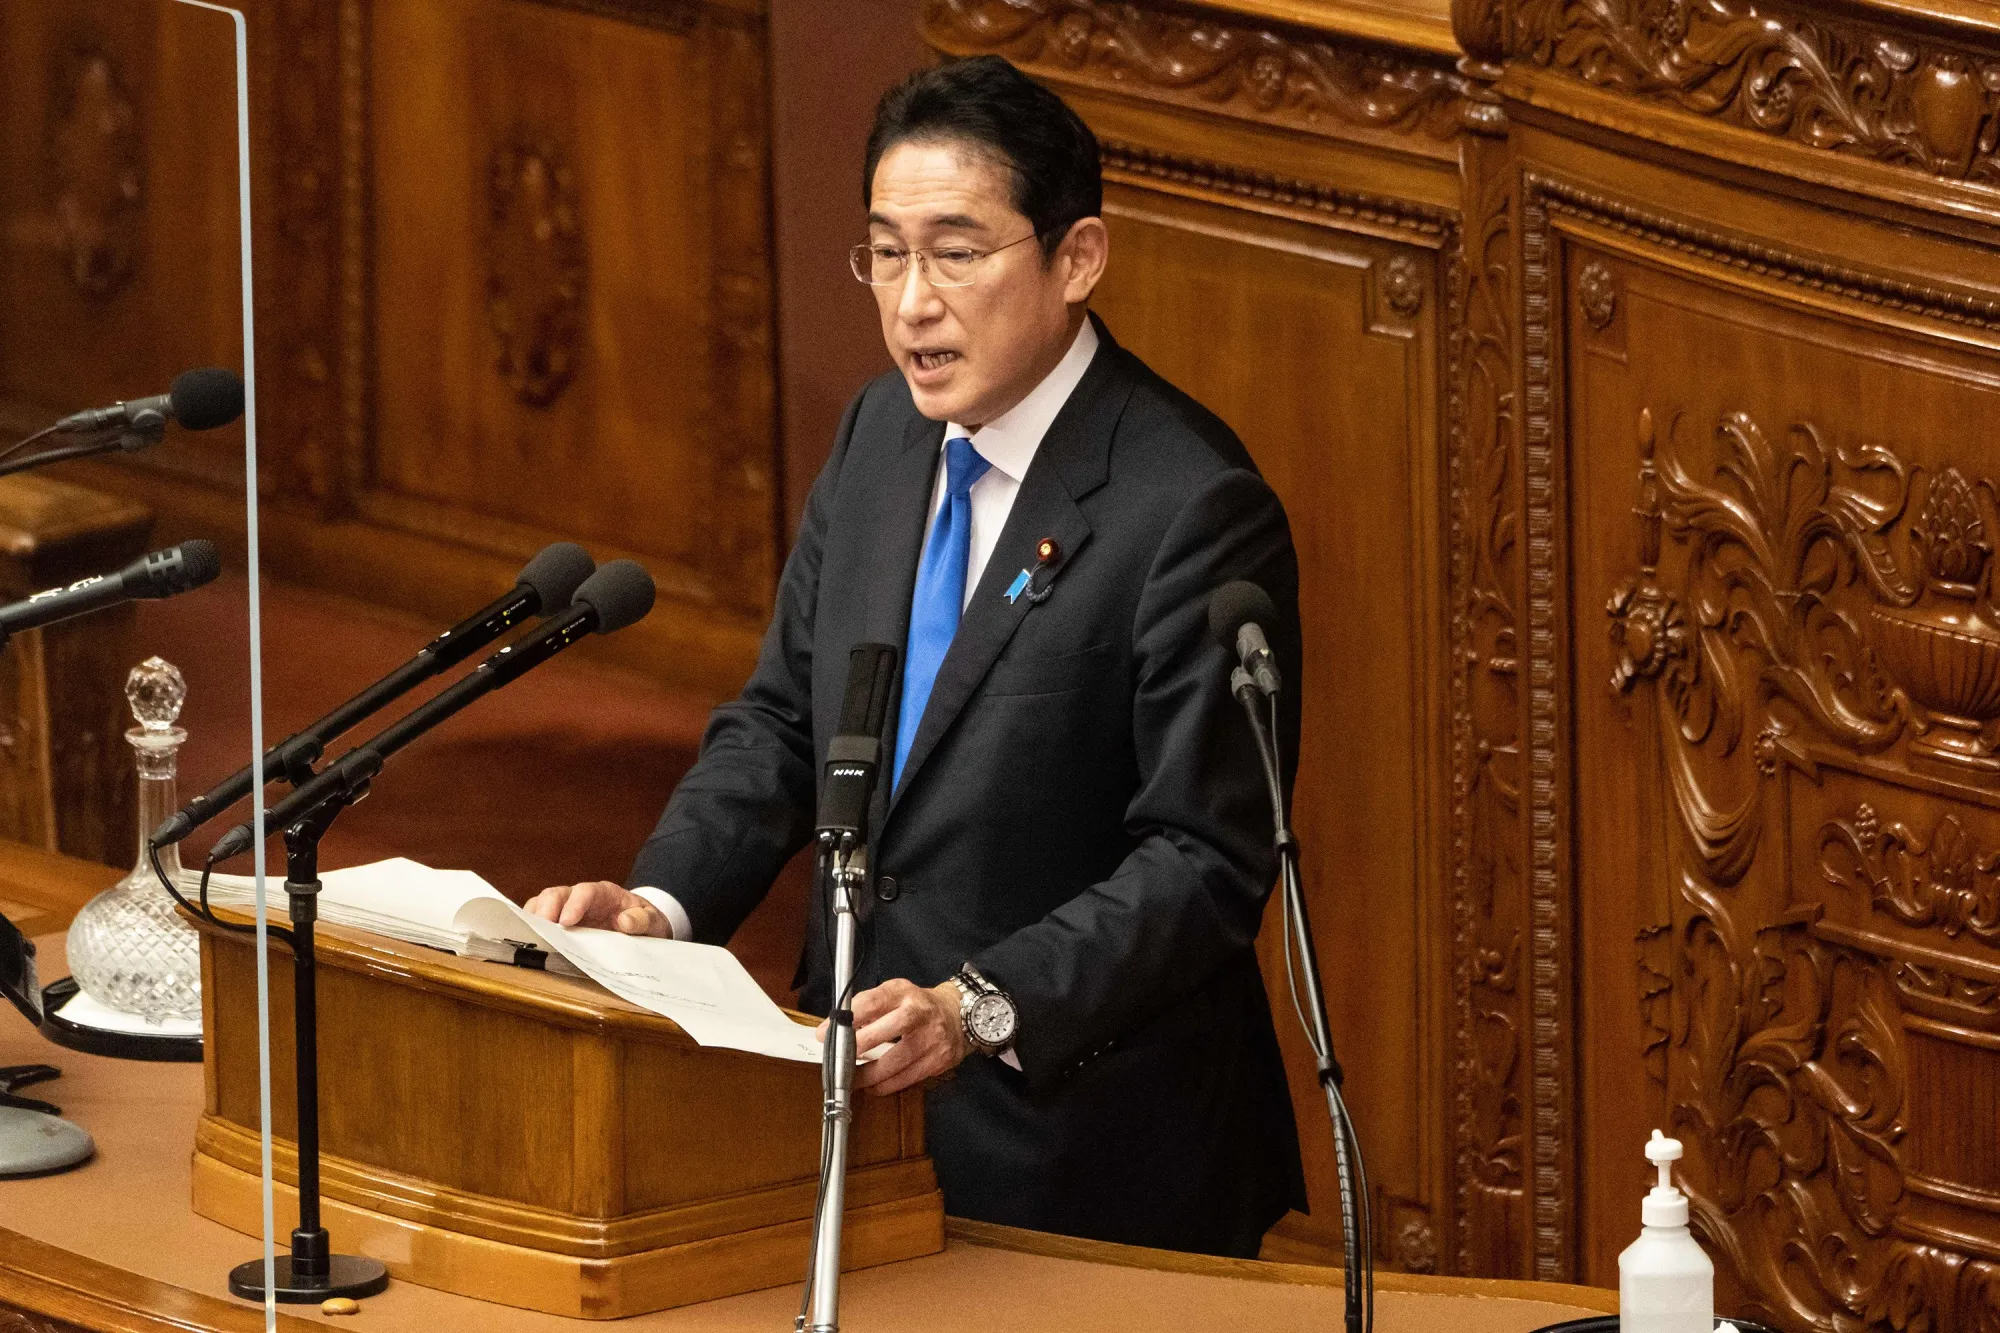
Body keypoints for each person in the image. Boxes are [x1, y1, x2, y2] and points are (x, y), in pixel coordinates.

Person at [527, 55, 1306, 1257]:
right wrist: (659, 903)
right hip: (849, 1107)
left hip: (1082, 1151)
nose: (910, 303)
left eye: (954, 252)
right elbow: (784, 719)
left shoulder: (1189, 504)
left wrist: (976, 1006)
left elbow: (1202, 861)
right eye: (885, 253)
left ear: (1076, 259)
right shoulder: (881, 433)